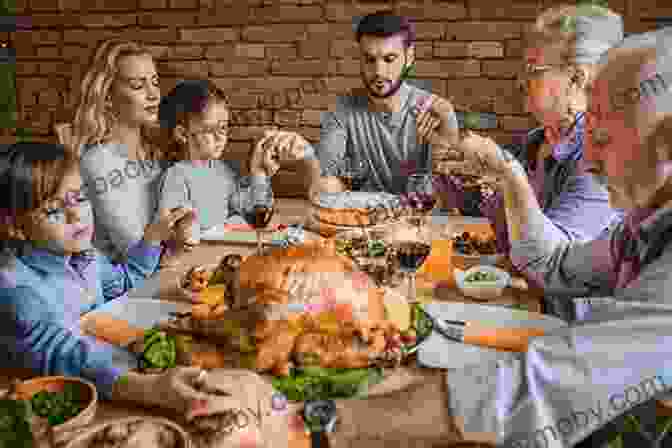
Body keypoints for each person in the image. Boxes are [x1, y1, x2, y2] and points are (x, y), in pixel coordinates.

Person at [195, 26, 672, 448]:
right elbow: (553, 265)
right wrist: (507, 177)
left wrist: (318, 424)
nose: (587, 160)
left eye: (604, 139)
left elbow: (540, 391)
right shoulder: (641, 229)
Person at [439, 4, 624, 320]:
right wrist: (452, 153)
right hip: (532, 307)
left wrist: (508, 177)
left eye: (533, 70)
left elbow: (551, 269)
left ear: (577, 80)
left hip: (575, 335)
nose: (520, 82)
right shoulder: (537, 142)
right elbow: (513, 243)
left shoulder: (603, 156)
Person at [0, 142, 208, 419]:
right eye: (53, 211)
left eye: (80, 198)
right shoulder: (16, 290)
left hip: (122, 365)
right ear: (14, 226)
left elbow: (121, 283)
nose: (76, 215)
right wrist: (150, 388)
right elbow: (63, 353)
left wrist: (153, 243)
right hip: (74, 402)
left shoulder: (84, 256)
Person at [155, 79, 317, 253]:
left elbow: (252, 211)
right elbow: (171, 234)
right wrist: (184, 228)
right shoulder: (175, 177)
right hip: (193, 259)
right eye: (211, 130)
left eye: (223, 128)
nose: (220, 137)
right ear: (182, 133)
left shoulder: (222, 171)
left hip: (221, 253)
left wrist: (259, 174)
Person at [71, 39, 196, 263]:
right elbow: (139, 251)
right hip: (123, 290)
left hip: (160, 274)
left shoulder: (153, 153)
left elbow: (190, 221)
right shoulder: (98, 162)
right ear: (107, 97)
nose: (154, 95)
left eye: (155, 82)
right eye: (138, 85)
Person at [313, 11, 460, 196]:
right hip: (362, 221)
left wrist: (444, 144)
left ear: (409, 57)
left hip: (418, 221)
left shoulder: (437, 113)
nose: (379, 72)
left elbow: (448, 199)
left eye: (389, 59)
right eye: (369, 60)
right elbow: (322, 188)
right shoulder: (341, 110)